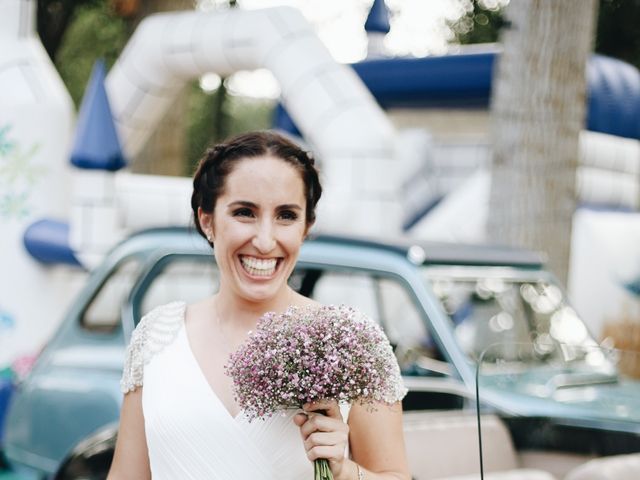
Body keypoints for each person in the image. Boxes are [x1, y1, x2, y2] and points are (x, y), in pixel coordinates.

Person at [107, 131, 410, 480]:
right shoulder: (158, 336)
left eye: (286, 216)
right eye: (245, 213)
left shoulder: (352, 341)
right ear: (207, 220)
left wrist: (343, 471)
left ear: (306, 226)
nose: (265, 241)